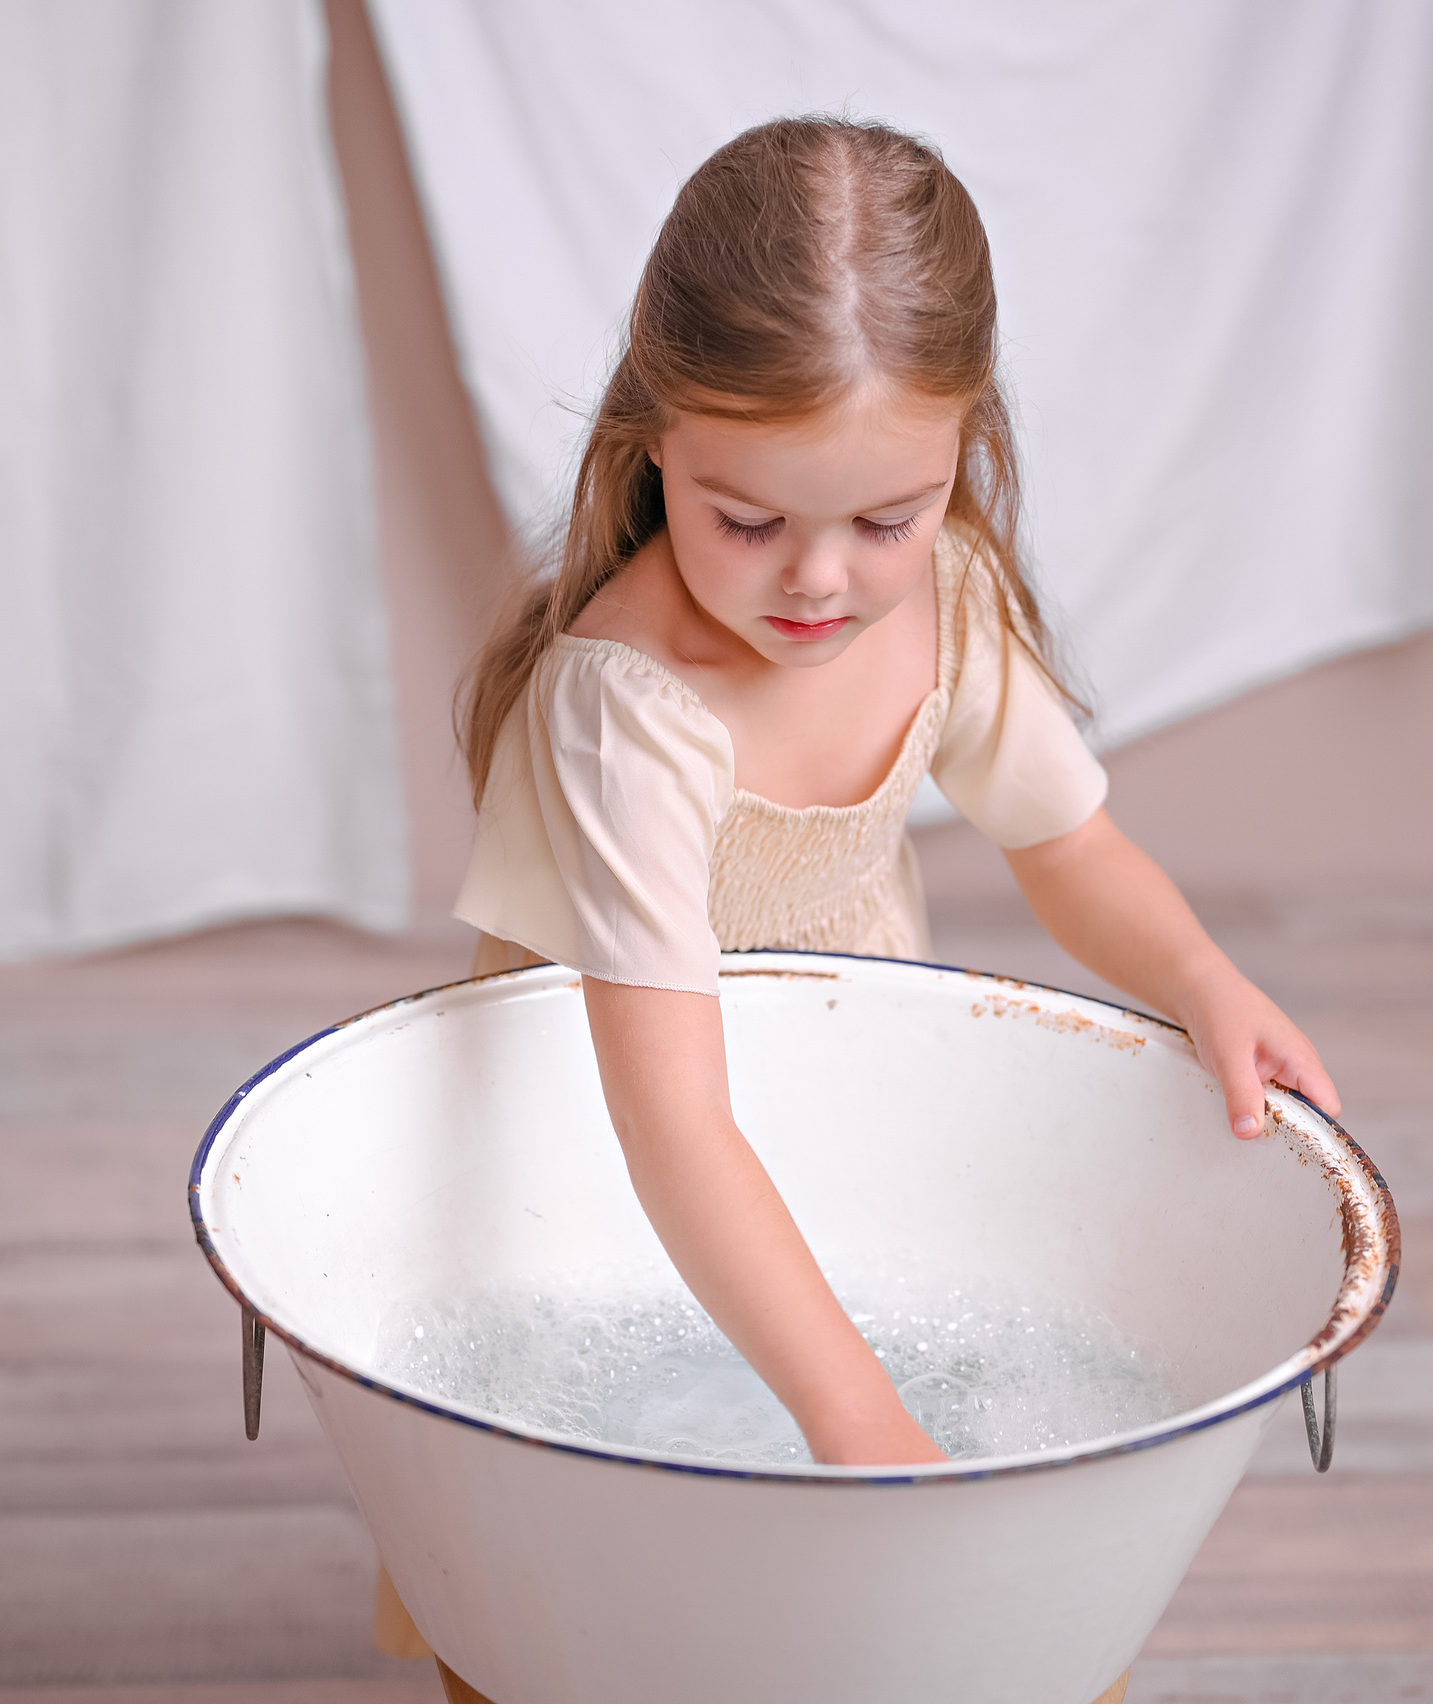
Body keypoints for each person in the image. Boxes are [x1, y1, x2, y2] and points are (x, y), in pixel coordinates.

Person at [393, 113, 1339, 1698]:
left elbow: (1071, 846)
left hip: (833, 1116)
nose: (818, 581)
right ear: (652, 446)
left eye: (886, 518)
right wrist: (856, 1422)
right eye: (745, 519)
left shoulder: (948, 602)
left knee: (869, 1603)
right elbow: (672, 1126)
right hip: (604, 1160)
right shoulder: (630, 705)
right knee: (612, 1583)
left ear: (963, 454)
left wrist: (1199, 975)